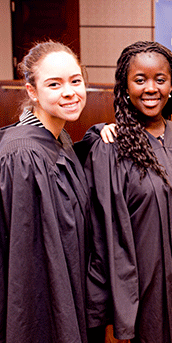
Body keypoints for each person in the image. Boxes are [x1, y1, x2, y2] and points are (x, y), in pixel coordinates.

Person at [77, 41, 172, 342]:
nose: (150, 88)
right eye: (140, 80)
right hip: (144, 296)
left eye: (160, 80)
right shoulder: (111, 146)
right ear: (125, 87)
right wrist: (112, 309)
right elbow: (104, 235)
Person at [0, 41, 90, 342]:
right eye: (54, 84)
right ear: (32, 91)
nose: (69, 92)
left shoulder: (59, 138)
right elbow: (26, 263)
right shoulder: (22, 155)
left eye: (75, 81)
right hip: (40, 312)